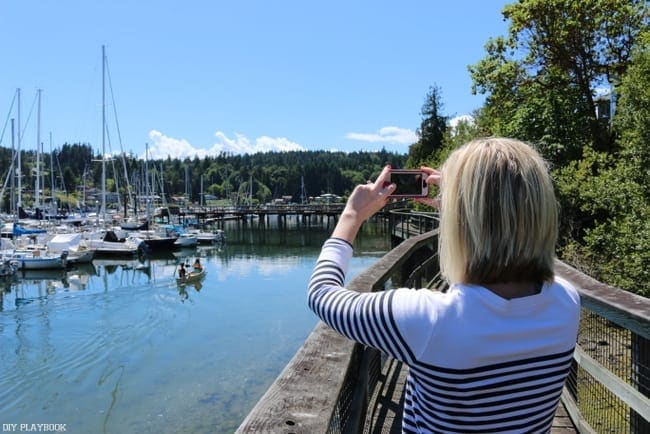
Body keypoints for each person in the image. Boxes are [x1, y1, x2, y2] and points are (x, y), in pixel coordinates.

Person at [308, 138, 581, 433]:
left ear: (463, 220)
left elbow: (322, 294)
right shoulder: (566, 303)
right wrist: (459, 208)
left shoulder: (427, 320)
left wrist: (352, 215)